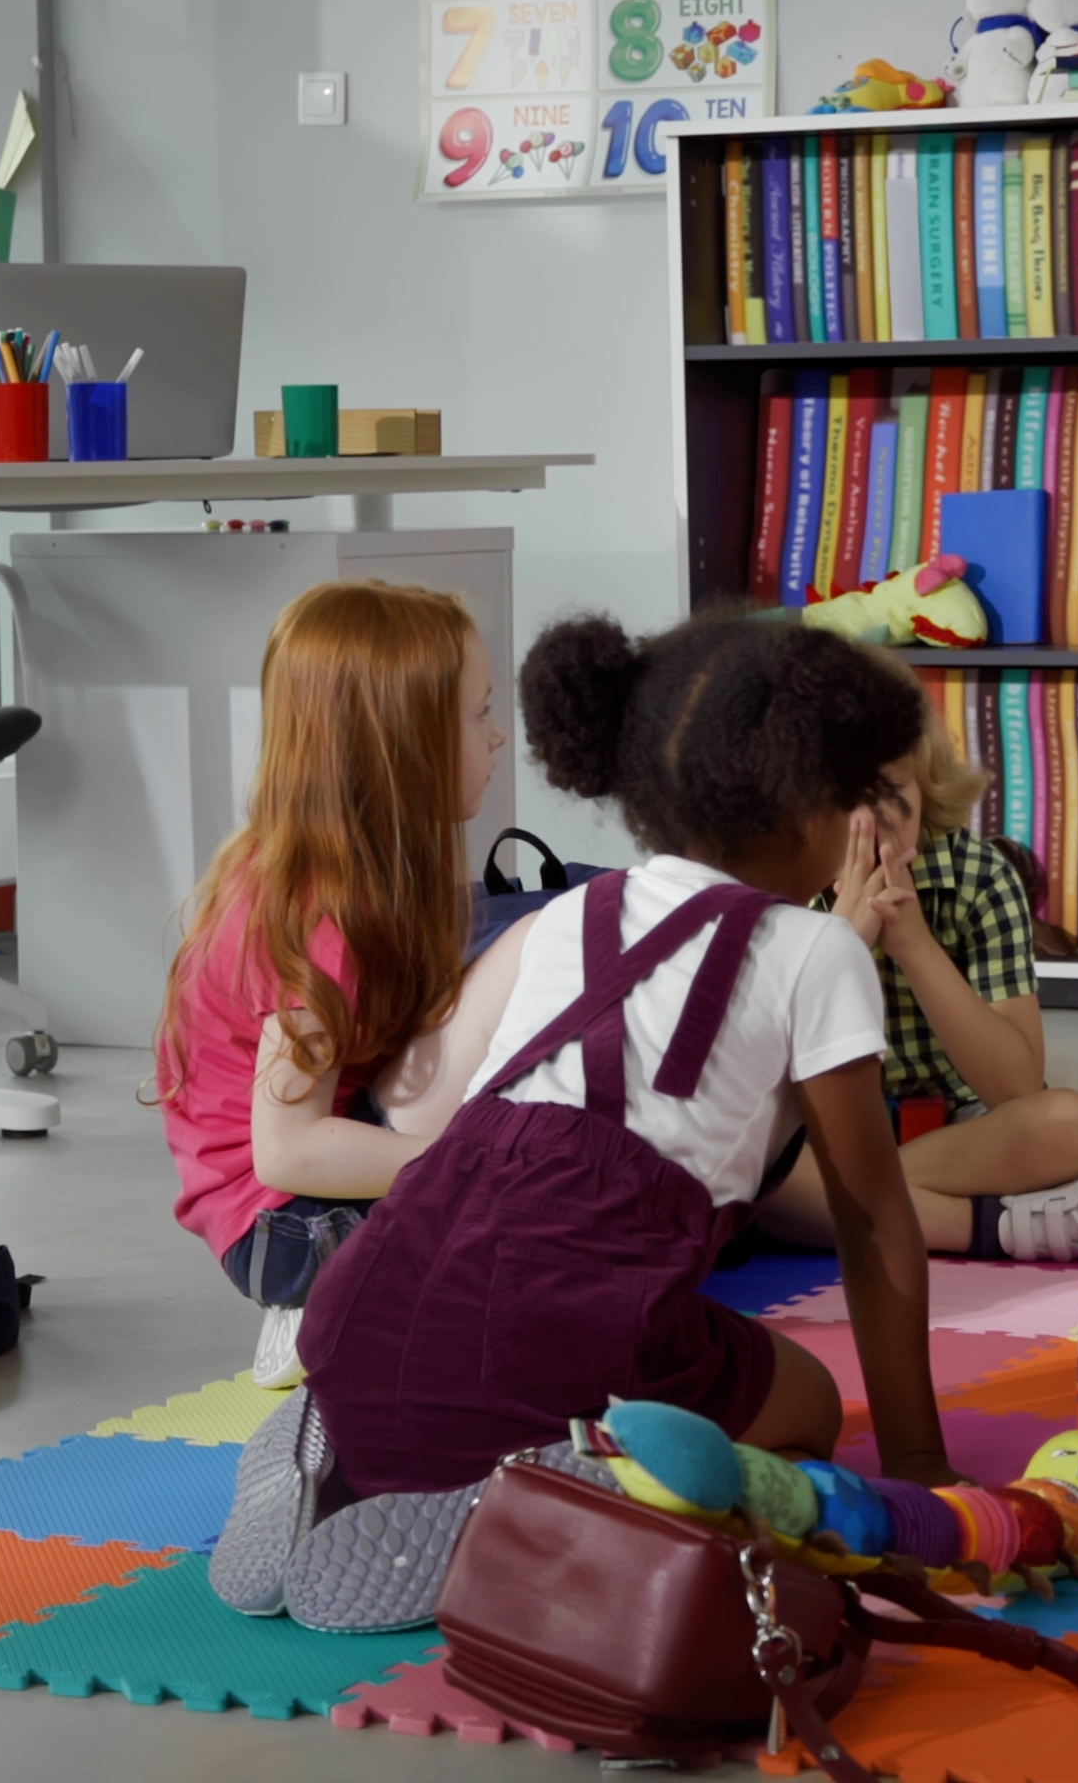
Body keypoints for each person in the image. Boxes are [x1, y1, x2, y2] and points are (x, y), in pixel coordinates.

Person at [208, 611, 956, 1633]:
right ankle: (554, 1486)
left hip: (369, 1309)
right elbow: (872, 1220)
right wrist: (919, 1466)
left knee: (462, 1353)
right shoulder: (813, 951)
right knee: (810, 1408)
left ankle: (345, 1451)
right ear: (803, 817)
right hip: (572, 1338)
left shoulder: (572, 915)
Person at [150, 579, 508, 1389]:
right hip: (284, 1232)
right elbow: (289, 1147)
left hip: (285, 1212)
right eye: (478, 714)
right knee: (541, 1244)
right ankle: (323, 1312)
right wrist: (472, 1163)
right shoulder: (326, 916)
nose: (500, 733)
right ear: (405, 743)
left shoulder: (330, 874)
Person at [756, 680, 1078, 1263]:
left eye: (891, 797)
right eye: (847, 801)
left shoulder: (980, 877)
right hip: (826, 1131)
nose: (871, 824)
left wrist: (916, 946)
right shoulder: (784, 881)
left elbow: (1016, 1087)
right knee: (751, 1173)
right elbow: (763, 1084)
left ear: (928, 793)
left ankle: (834, 1209)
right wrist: (837, 947)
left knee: (1071, 1122)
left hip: (958, 1129)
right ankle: (989, 1228)